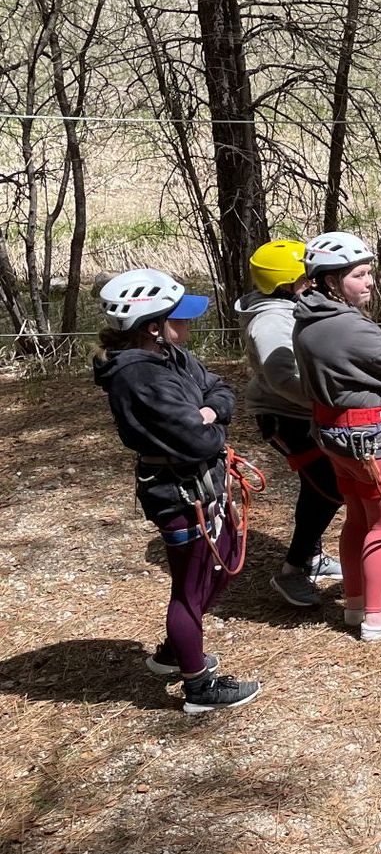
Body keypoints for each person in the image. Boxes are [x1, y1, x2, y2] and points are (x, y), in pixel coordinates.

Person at [92, 270, 261, 713]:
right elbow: (201, 441)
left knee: (220, 569)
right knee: (190, 587)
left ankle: (175, 651)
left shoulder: (173, 356)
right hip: (179, 494)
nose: (188, 326)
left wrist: (210, 411)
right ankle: (198, 686)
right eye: (179, 318)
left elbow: (220, 389)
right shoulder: (139, 379)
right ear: (153, 326)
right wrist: (211, 424)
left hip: (201, 485)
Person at [293, 232, 381, 642]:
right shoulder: (348, 326)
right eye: (360, 274)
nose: (370, 282)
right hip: (374, 438)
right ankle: (376, 618)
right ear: (331, 280)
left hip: (336, 436)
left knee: (356, 518)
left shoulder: (307, 318)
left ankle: (357, 603)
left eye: (370, 273)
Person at [236, 238, 344, 608]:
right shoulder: (271, 321)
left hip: (301, 413)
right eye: (306, 277)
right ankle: (292, 571)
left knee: (317, 486)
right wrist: (325, 399)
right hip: (287, 418)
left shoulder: (286, 308)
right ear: (289, 283)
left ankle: (310, 554)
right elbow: (283, 378)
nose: (313, 281)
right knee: (328, 487)